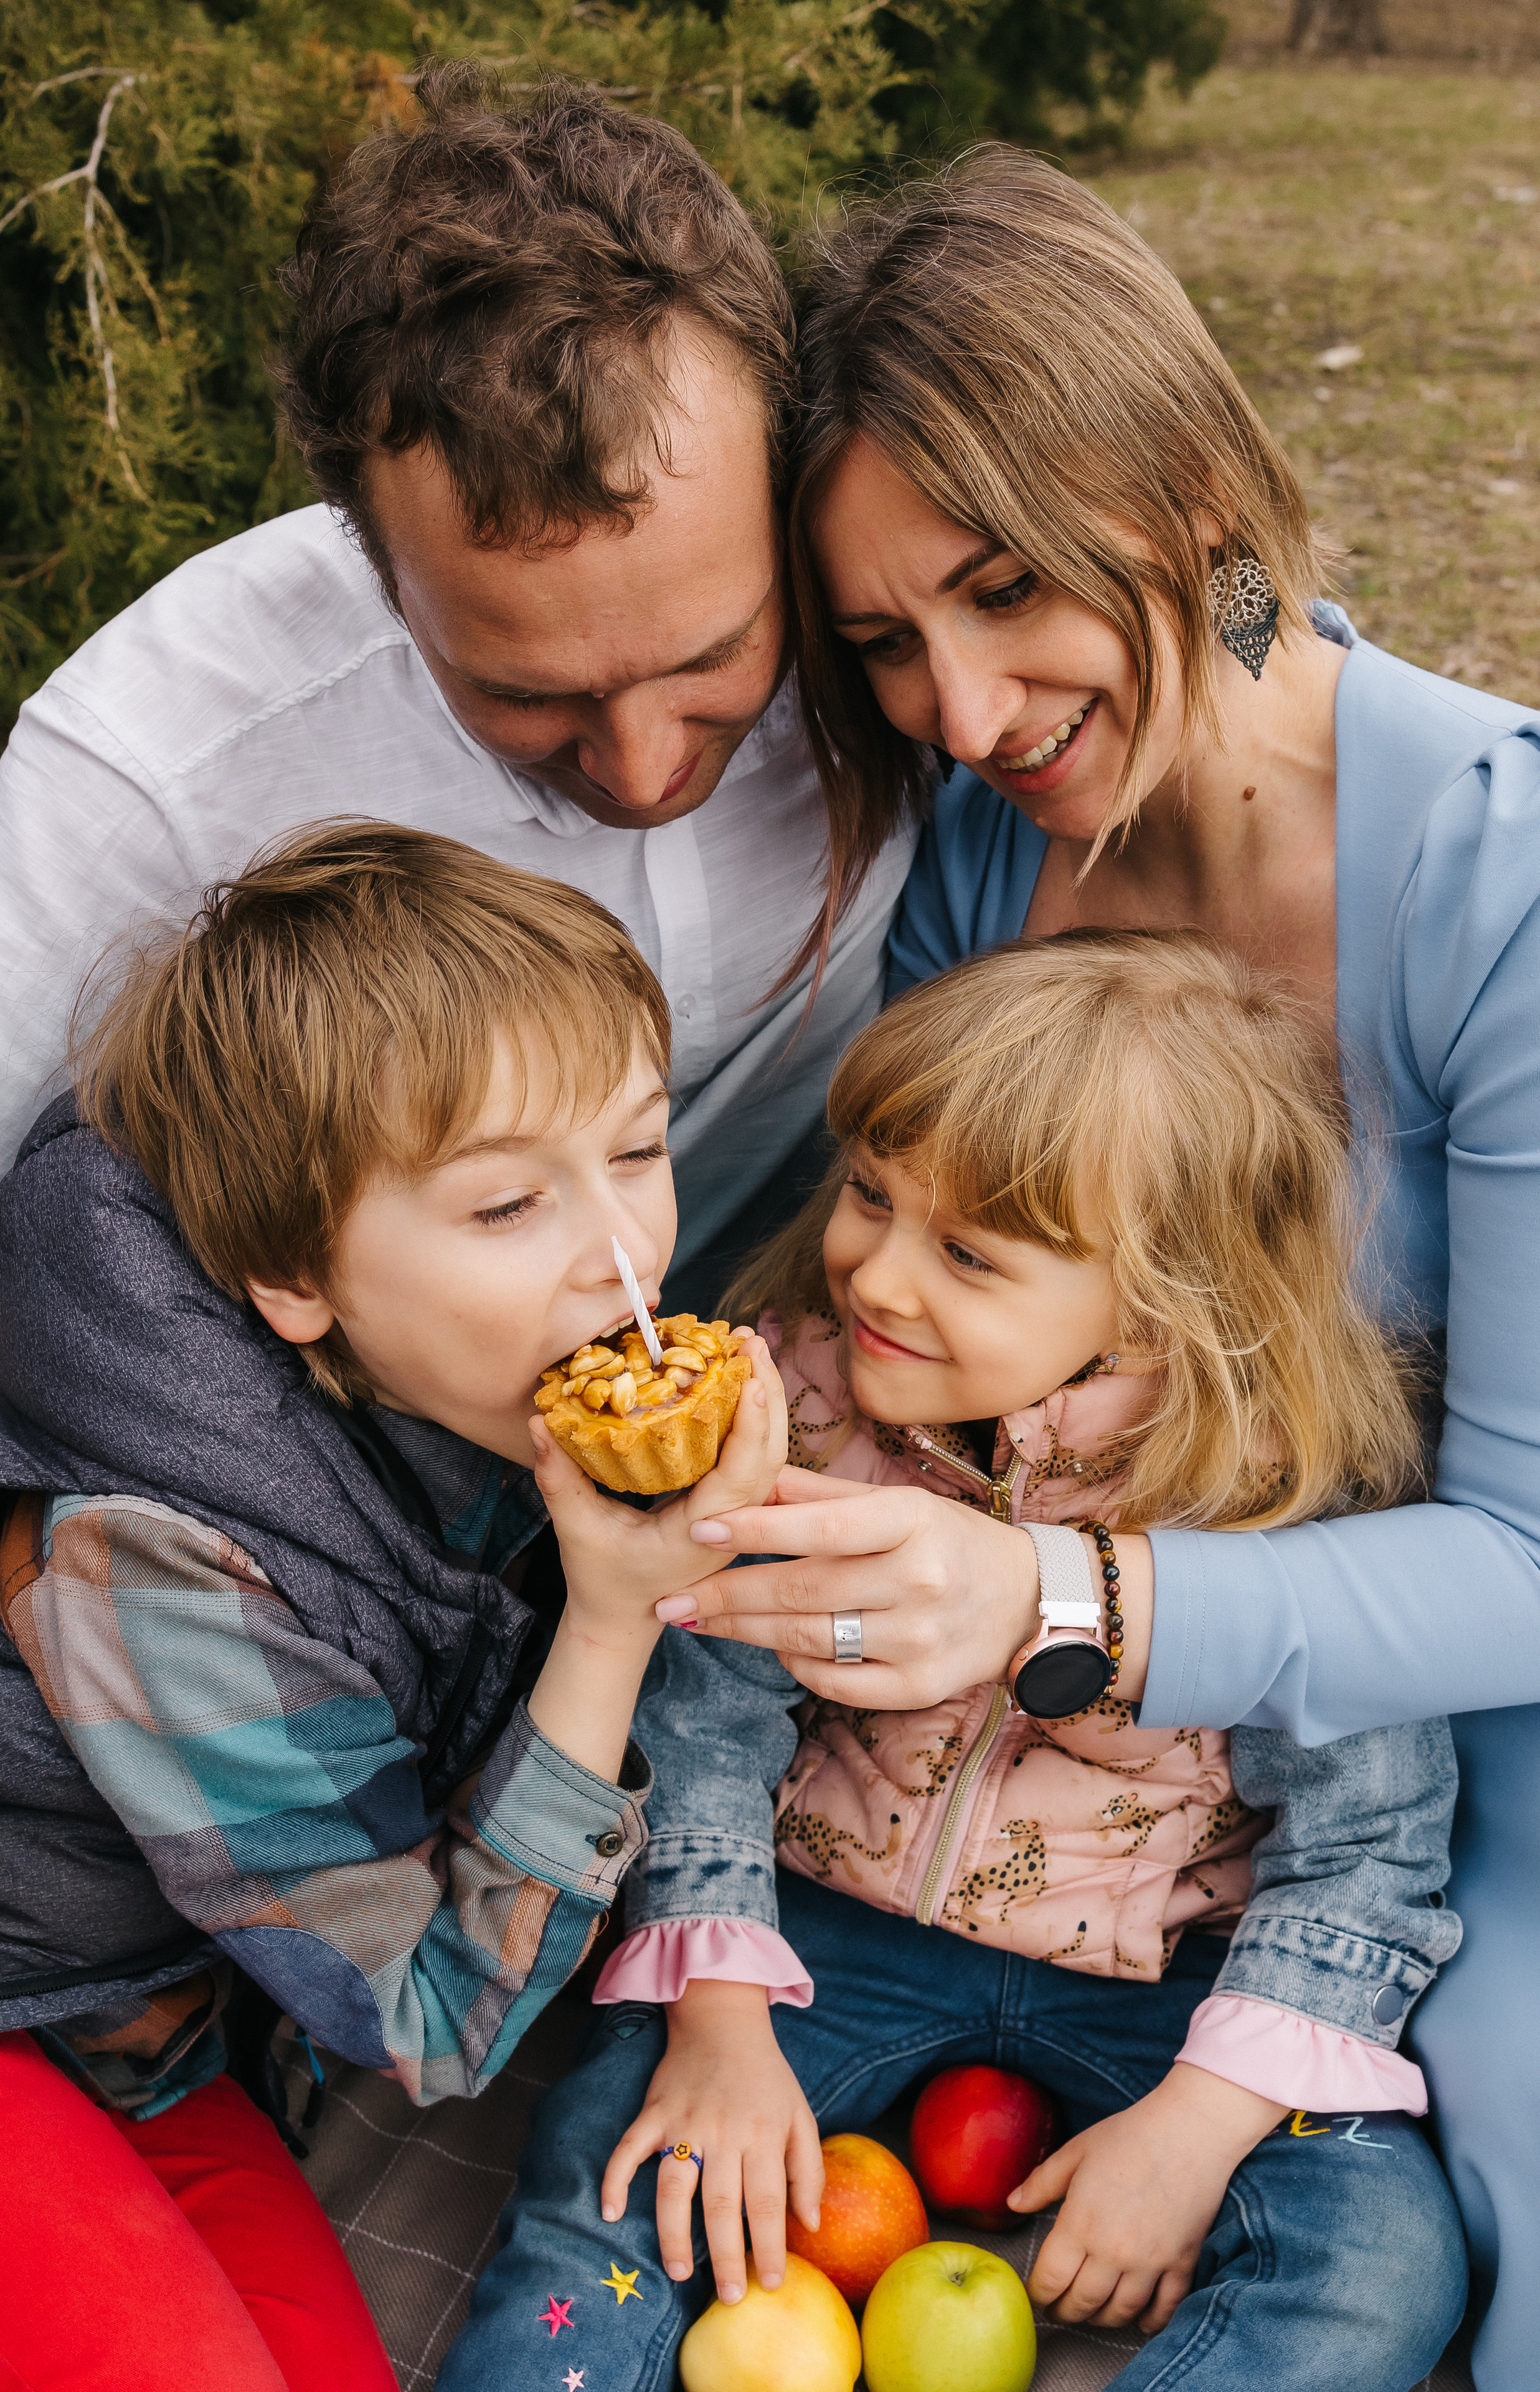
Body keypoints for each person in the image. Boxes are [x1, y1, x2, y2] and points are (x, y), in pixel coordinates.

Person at [639, 151, 1540, 2387]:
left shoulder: (1496, 887)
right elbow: (885, 1341)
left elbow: (1526, 1559)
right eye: (881, 645)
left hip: (1448, 1738)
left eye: (1006, 586)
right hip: (1049, 1792)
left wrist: (1070, 1610)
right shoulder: (983, 858)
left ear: (1187, 483)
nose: (958, 710)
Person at [444, 930, 1467, 2392]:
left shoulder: (1281, 1492)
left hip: (1168, 1984)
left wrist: (1196, 2124)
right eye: (869, 1191)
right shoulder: (786, 1400)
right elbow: (708, 1722)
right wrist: (721, 2030)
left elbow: (1368, 1847)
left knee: (1381, 2258)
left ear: (1166, 1296)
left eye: (969, 1253)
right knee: (622, 2169)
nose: (876, 1270)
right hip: (816, 1940)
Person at [0, 821, 788, 2391]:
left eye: (634, 1150)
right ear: (291, 1278)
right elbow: (423, 2020)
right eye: (500, 1209)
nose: (622, 1262)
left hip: (136, 2034)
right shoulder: (142, 1560)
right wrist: (606, 1629)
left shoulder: (459, 1396)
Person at [0, 70, 915, 1329]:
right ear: (372, 566)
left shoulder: (882, 601)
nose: (638, 768)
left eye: (706, 661)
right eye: (523, 694)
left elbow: (1201, 609)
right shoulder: (156, 760)